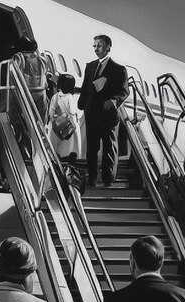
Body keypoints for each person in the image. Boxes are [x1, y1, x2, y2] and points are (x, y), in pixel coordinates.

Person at [77, 34, 129, 187]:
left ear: (108, 47)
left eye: (99, 46)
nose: (96, 49)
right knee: (92, 148)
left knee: (108, 148)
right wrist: (82, 104)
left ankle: (108, 179)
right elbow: (86, 87)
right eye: (94, 46)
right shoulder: (90, 66)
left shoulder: (119, 69)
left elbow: (124, 91)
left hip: (108, 115)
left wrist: (114, 100)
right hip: (92, 113)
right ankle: (92, 179)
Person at [12, 36, 48, 122]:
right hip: (41, 93)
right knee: (41, 119)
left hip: (27, 93)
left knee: (23, 118)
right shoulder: (42, 60)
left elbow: (14, 73)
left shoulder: (20, 58)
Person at [47, 73, 80, 165]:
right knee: (70, 146)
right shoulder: (70, 97)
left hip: (56, 125)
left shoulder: (55, 97)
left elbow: (51, 112)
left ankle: (57, 158)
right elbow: (73, 111)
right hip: (69, 125)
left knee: (57, 147)